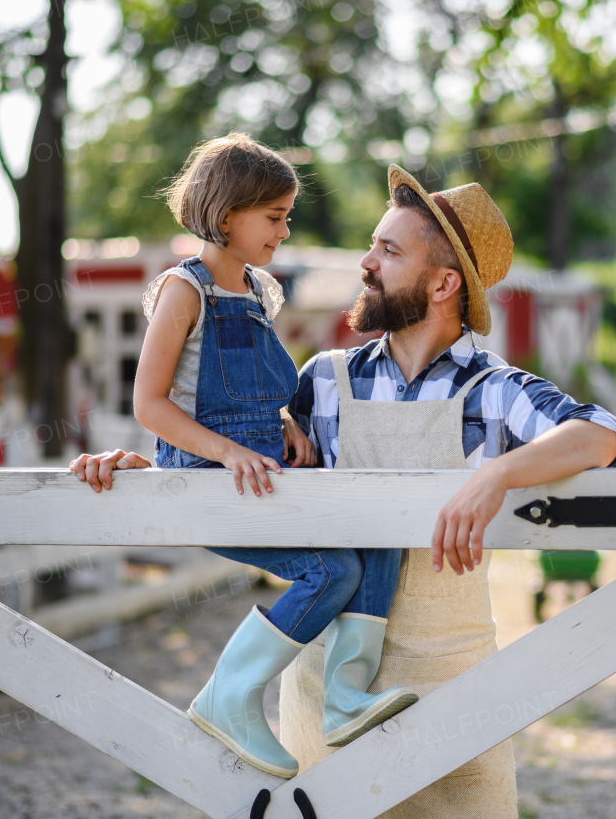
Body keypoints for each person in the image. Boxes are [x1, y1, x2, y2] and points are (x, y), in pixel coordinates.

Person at [71, 165, 616, 817]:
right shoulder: (324, 381)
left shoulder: (495, 391)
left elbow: (602, 433)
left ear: (444, 282)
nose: (365, 262)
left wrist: (497, 472)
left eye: (388, 251)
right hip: (322, 724)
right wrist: (153, 468)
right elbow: (250, 471)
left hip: (453, 708)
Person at [126, 134, 416, 780]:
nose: (285, 231)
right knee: (328, 570)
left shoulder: (260, 291)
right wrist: (229, 450)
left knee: (379, 532)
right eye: (275, 216)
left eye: (286, 216)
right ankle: (228, 695)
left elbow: (250, 383)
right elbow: (150, 404)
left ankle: (345, 697)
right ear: (227, 214)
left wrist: (281, 420)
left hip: (258, 473)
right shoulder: (184, 291)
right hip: (206, 478)